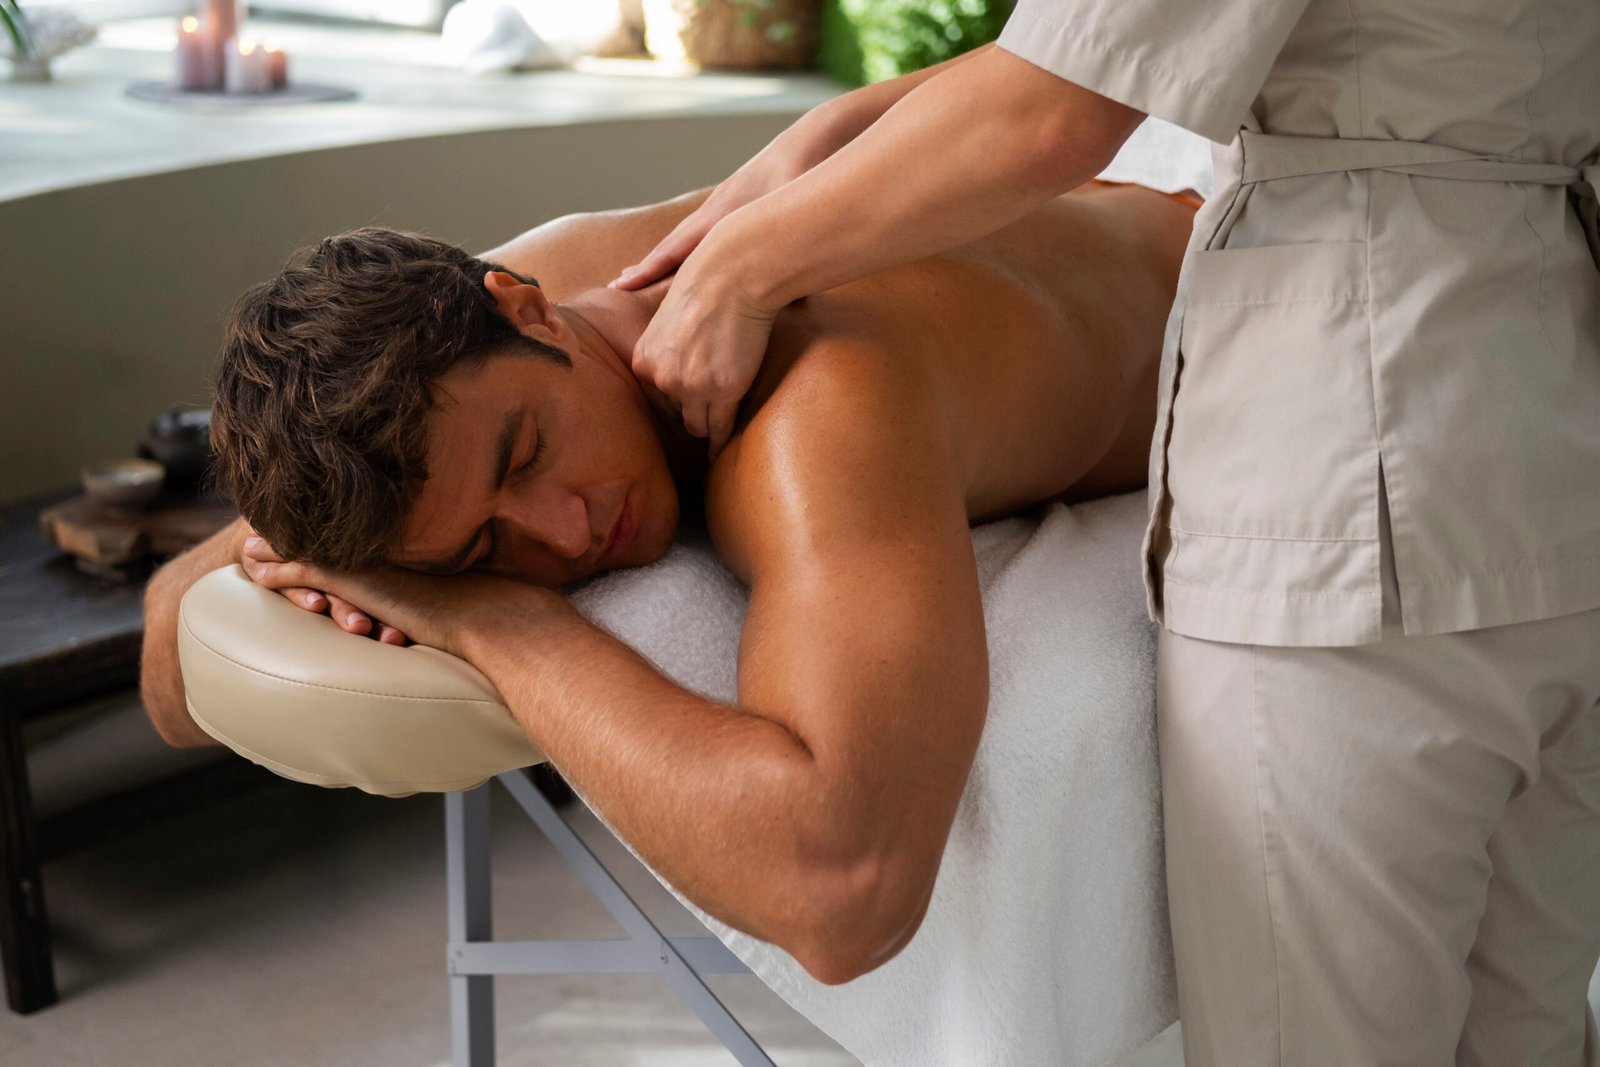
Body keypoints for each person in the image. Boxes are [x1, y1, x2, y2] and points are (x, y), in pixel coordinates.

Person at [602, 4, 1600, 1064]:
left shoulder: (821, 405)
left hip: (1354, 468)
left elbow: (1054, 110)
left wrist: (737, 268)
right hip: (1547, 416)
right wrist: (823, 145)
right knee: (1525, 1032)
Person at [138, 178, 1199, 984]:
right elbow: (167, 662)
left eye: (526, 453)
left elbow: (848, 897)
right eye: (478, 546)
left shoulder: (816, 415)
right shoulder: (506, 317)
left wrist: (494, 615)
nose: (566, 534)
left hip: (1258, 317)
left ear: (527, 308)